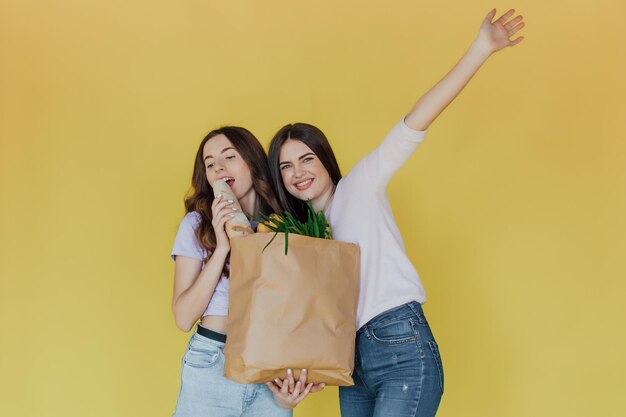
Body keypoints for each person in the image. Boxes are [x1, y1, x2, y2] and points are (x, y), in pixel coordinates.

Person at [266, 9, 525, 417]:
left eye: (306, 159)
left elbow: (415, 122)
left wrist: (481, 48)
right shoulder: (301, 238)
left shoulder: (361, 185)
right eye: (286, 166)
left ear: (324, 159)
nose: (298, 173)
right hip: (351, 365)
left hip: (400, 342)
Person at [170, 126, 322, 416]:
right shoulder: (197, 224)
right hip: (213, 361)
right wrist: (223, 246)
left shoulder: (290, 225)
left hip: (271, 367)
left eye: (229, 157)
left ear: (252, 162)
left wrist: (292, 389)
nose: (218, 168)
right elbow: (183, 317)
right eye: (210, 163)